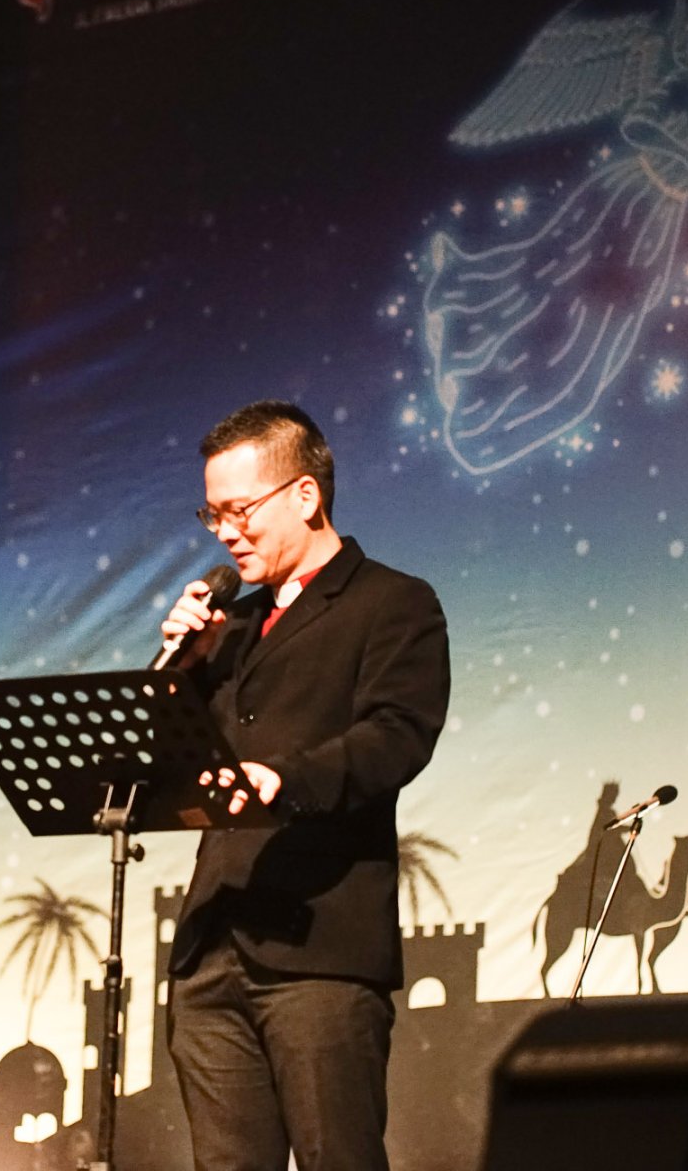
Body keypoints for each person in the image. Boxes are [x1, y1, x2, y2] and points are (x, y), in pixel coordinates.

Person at [158, 401, 451, 1171]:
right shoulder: (227, 629)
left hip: (318, 942)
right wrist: (184, 668)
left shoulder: (392, 603)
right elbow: (169, 767)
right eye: (212, 515)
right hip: (212, 950)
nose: (224, 533)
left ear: (305, 495)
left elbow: (397, 735)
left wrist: (285, 778)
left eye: (239, 510)